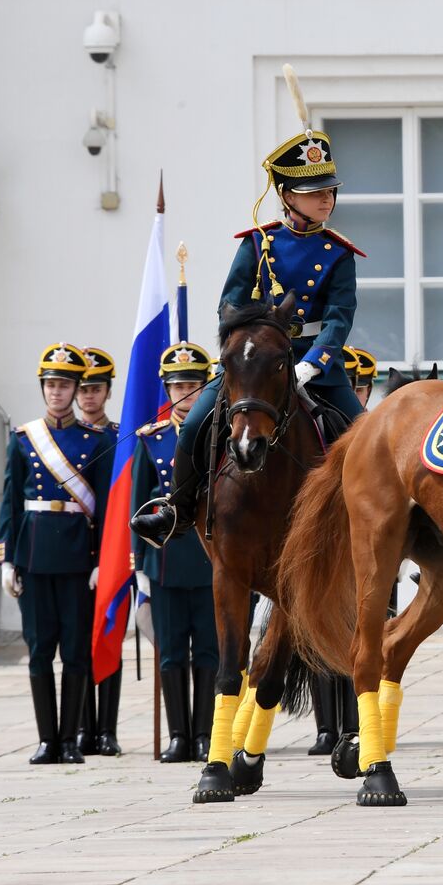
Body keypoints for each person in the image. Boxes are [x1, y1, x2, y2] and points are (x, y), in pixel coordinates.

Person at [131, 85, 364, 547]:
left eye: (329, 191)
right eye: (313, 192)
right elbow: (228, 305)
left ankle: (375, 525)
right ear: (286, 194)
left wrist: (312, 363)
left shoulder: (339, 254)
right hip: (254, 361)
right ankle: (177, 508)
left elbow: (340, 319)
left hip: (313, 365)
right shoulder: (257, 244)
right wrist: (252, 340)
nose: (325, 201)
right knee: (196, 421)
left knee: (364, 436)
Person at [0, 343, 112, 764]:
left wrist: (102, 561)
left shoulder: (95, 440)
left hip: (79, 558)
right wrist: (6, 558)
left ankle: (69, 740)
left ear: (77, 388)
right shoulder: (25, 439)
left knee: (76, 650)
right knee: (40, 648)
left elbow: (105, 508)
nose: (57, 393)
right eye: (51, 385)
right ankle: (47, 740)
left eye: (64, 385)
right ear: (43, 388)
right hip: (34, 555)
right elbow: (10, 503)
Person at [131, 341, 219, 762]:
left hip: (208, 558)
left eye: (192, 384)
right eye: (177, 385)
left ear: (206, 386)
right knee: (170, 652)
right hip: (164, 559)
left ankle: (203, 734)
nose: (184, 392)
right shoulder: (151, 440)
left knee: (207, 649)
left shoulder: (217, 434)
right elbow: (137, 507)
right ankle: (178, 736)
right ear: (166, 390)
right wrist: (139, 567)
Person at [74, 347, 122, 757]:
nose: (89, 397)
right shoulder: (65, 439)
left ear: (108, 392)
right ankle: (81, 727)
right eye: (83, 389)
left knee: (108, 637)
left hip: (109, 554)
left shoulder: (118, 439)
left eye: (96, 389)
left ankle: (106, 728)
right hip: (74, 555)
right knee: (76, 643)